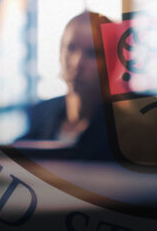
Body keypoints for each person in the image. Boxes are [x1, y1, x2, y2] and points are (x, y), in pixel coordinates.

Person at [19, 11, 112, 160]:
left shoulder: (127, 125)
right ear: (60, 53)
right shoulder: (42, 113)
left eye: (92, 53)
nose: (77, 63)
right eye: (70, 48)